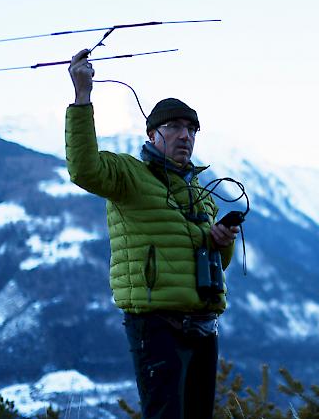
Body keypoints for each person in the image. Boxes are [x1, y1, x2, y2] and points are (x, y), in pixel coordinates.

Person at [66, 49, 240, 418]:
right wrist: (83, 96)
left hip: (204, 327)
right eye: (174, 127)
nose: (185, 136)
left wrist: (221, 242)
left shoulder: (201, 191)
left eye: (191, 129)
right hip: (156, 324)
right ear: (152, 133)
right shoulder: (129, 175)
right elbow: (84, 169)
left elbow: (217, 262)